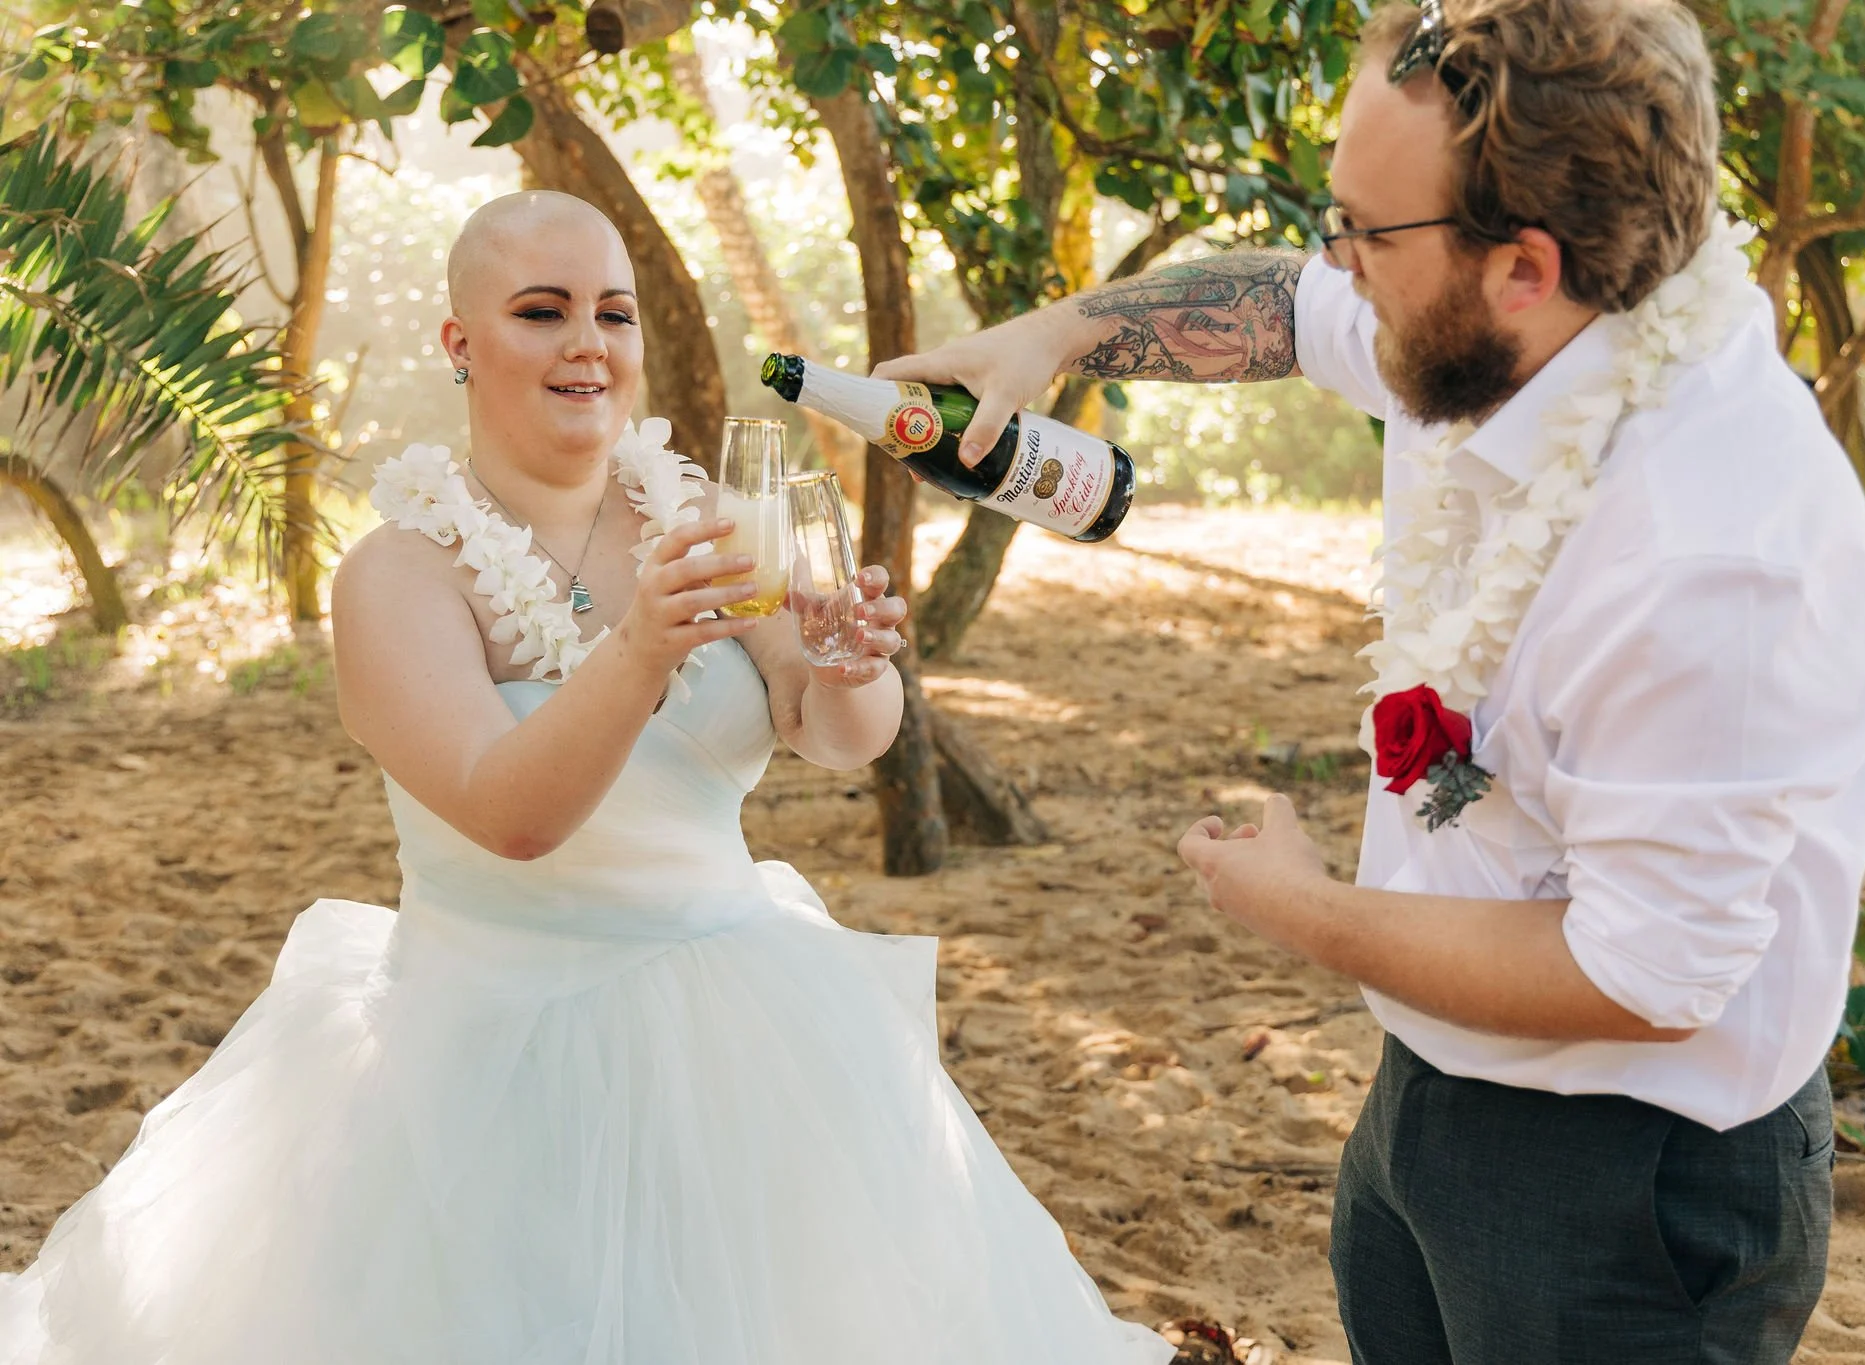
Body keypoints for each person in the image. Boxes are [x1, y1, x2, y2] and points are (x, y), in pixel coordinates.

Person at [876, 1, 1865, 1360]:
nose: (1335, 261)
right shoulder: (1490, 314)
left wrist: (1306, 910)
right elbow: (1292, 313)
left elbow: (1640, 971)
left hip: (1632, 1184)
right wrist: (1054, 339)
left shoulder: (1716, 553)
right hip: (1432, 1091)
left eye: (1366, 232)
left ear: (1524, 267)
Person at [0, 191, 1172, 1365]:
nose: (587, 344)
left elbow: (835, 734)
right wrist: (640, 648)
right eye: (540, 311)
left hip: (745, 1037)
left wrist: (848, 659)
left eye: (611, 313)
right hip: (482, 1056)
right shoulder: (395, 576)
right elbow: (510, 818)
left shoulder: (708, 513)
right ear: (462, 343)